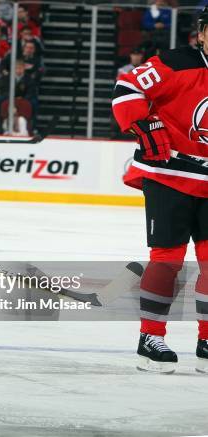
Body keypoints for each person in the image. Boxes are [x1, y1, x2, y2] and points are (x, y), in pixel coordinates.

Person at [111, 7, 208, 373]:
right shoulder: (174, 62)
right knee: (167, 259)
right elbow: (128, 87)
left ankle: (207, 340)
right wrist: (145, 122)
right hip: (168, 174)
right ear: (200, 33)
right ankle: (151, 337)